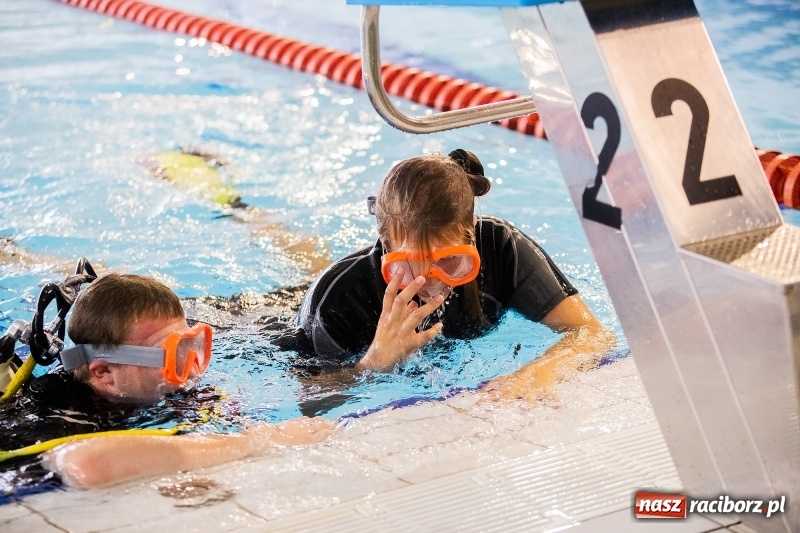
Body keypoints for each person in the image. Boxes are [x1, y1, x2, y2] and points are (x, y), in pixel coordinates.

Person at [290, 149, 615, 400]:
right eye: (412, 266)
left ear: (471, 233)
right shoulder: (339, 299)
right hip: (270, 314)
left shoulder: (501, 249)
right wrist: (372, 365)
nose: (433, 283)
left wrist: (536, 374)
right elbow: (309, 397)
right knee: (306, 267)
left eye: (450, 262)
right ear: (386, 246)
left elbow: (590, 333)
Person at [0, 272, 333, 493]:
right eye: (173, 355)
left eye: (192, 345)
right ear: (104, 373)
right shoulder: (61, 417)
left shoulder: (167, 387)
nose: (191, 368)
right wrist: (263, 439)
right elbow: (85, 465)